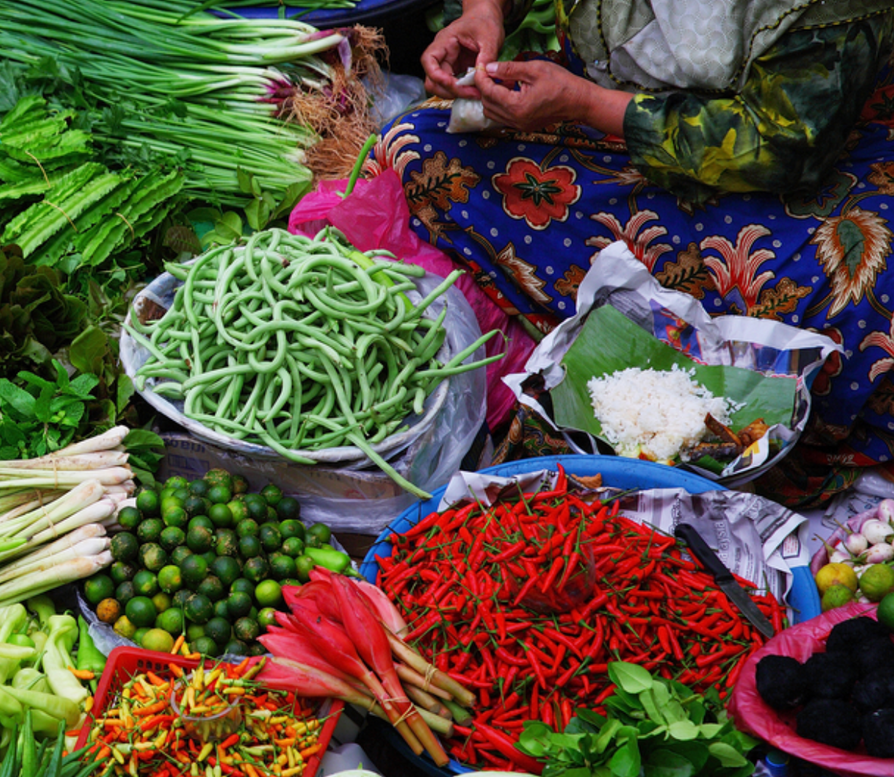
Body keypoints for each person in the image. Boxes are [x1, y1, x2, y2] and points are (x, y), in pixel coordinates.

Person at [377, 0, 894, 504]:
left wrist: (584, 103)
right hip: (603, 115)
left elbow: (786, 145)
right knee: (418, 145)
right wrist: (485, 12)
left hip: (803, 166)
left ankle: (673, 367)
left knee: (862, 279)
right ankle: (630, 335)